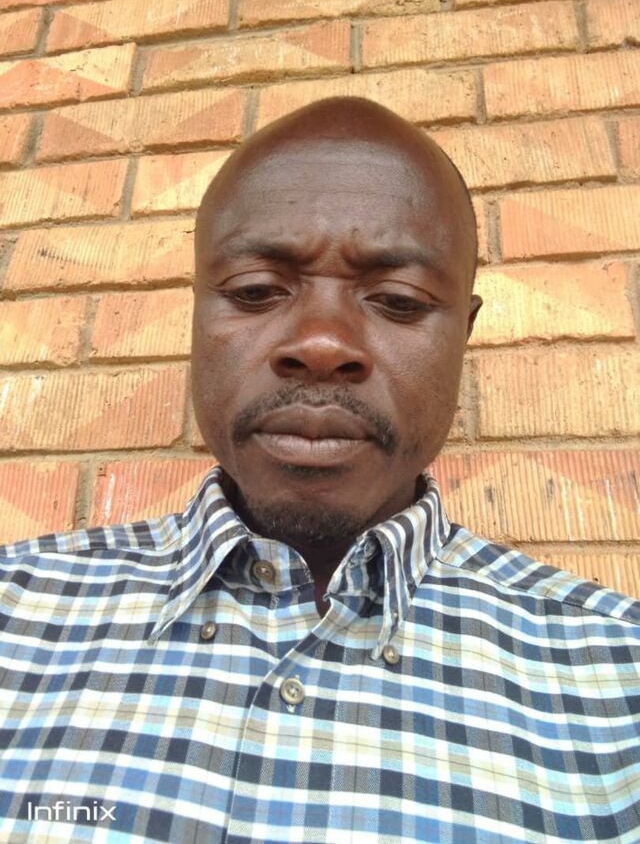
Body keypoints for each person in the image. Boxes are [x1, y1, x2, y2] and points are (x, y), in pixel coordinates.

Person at [0, 97, 638, 843]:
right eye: (255, 291)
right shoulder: (16, 613)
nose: (323, 343)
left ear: (462, 336)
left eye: (397, 300)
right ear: (198, 314)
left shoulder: (618, 681)